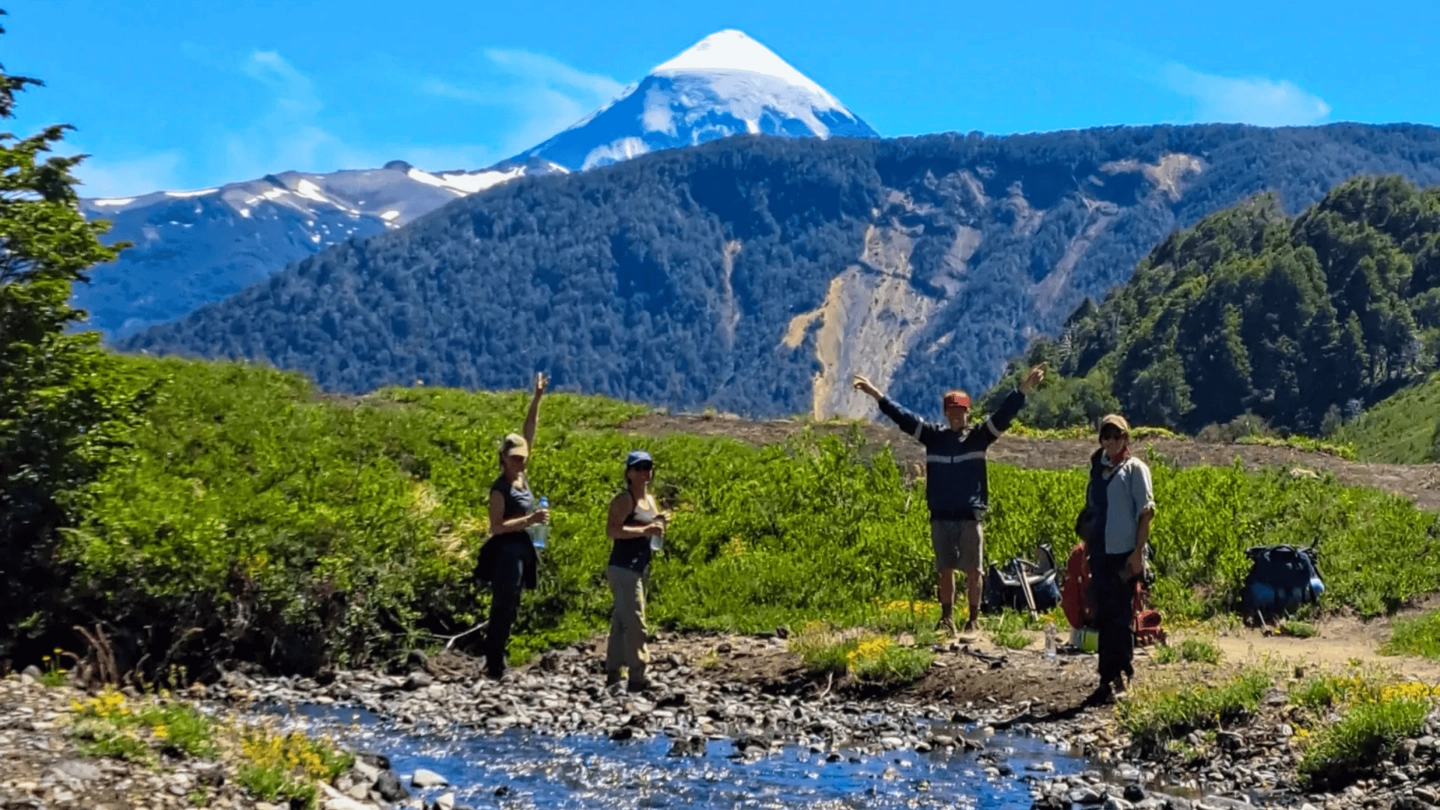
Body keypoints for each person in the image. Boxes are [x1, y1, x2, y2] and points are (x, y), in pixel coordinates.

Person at [852, 365, 1045, 636]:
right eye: (951, 413)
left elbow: (1003, 416)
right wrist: (876, 394)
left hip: (969, 516)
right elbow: (902, 417)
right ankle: (947, 618)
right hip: (941, 515)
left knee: (974, 571)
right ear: (946, 414)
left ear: (968, 413)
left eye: (960, 413)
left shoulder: (978, 438)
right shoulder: (933, 438)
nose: (956, 417)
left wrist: (1023, 390)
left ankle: (973, 619)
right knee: (945, 570)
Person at [475, 372, 549, 681]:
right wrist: (529, 521)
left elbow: (528, 432)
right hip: (505, 548)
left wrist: (536, 399)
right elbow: (496, 526)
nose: (520, 461)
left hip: (522, 548)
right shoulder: (499, 489)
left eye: (522, 458)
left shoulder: (521, 475)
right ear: (503, 459)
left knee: (513, 603)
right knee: (503, 604)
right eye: (515, 458)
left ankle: (499, 657)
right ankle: (494, 663)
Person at [1083, 414, 1155, 704]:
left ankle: (1123, 674)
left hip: (1125, 554)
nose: (1110, 441)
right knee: (1102, 615)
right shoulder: (1097, 472)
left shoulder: (1135, 470)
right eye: (1106, 436)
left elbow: (1145, 513)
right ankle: (1105, 678)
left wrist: (1138, 552)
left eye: (1116, 435)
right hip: (1100, 552)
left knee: (1121, 617)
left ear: (1126, 438)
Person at [604, 450, 669, 692]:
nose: (644, 472)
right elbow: (613, 530)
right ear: (629, 473)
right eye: (639, 468)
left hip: (640, 566)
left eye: (648, 467)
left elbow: (649, 526)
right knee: (636, 622)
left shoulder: (650, 500)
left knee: (622, 620)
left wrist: (659, 524)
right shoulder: (624, 499)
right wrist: (645, 530)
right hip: (623, 567)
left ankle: (613, 673)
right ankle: (638, 674)